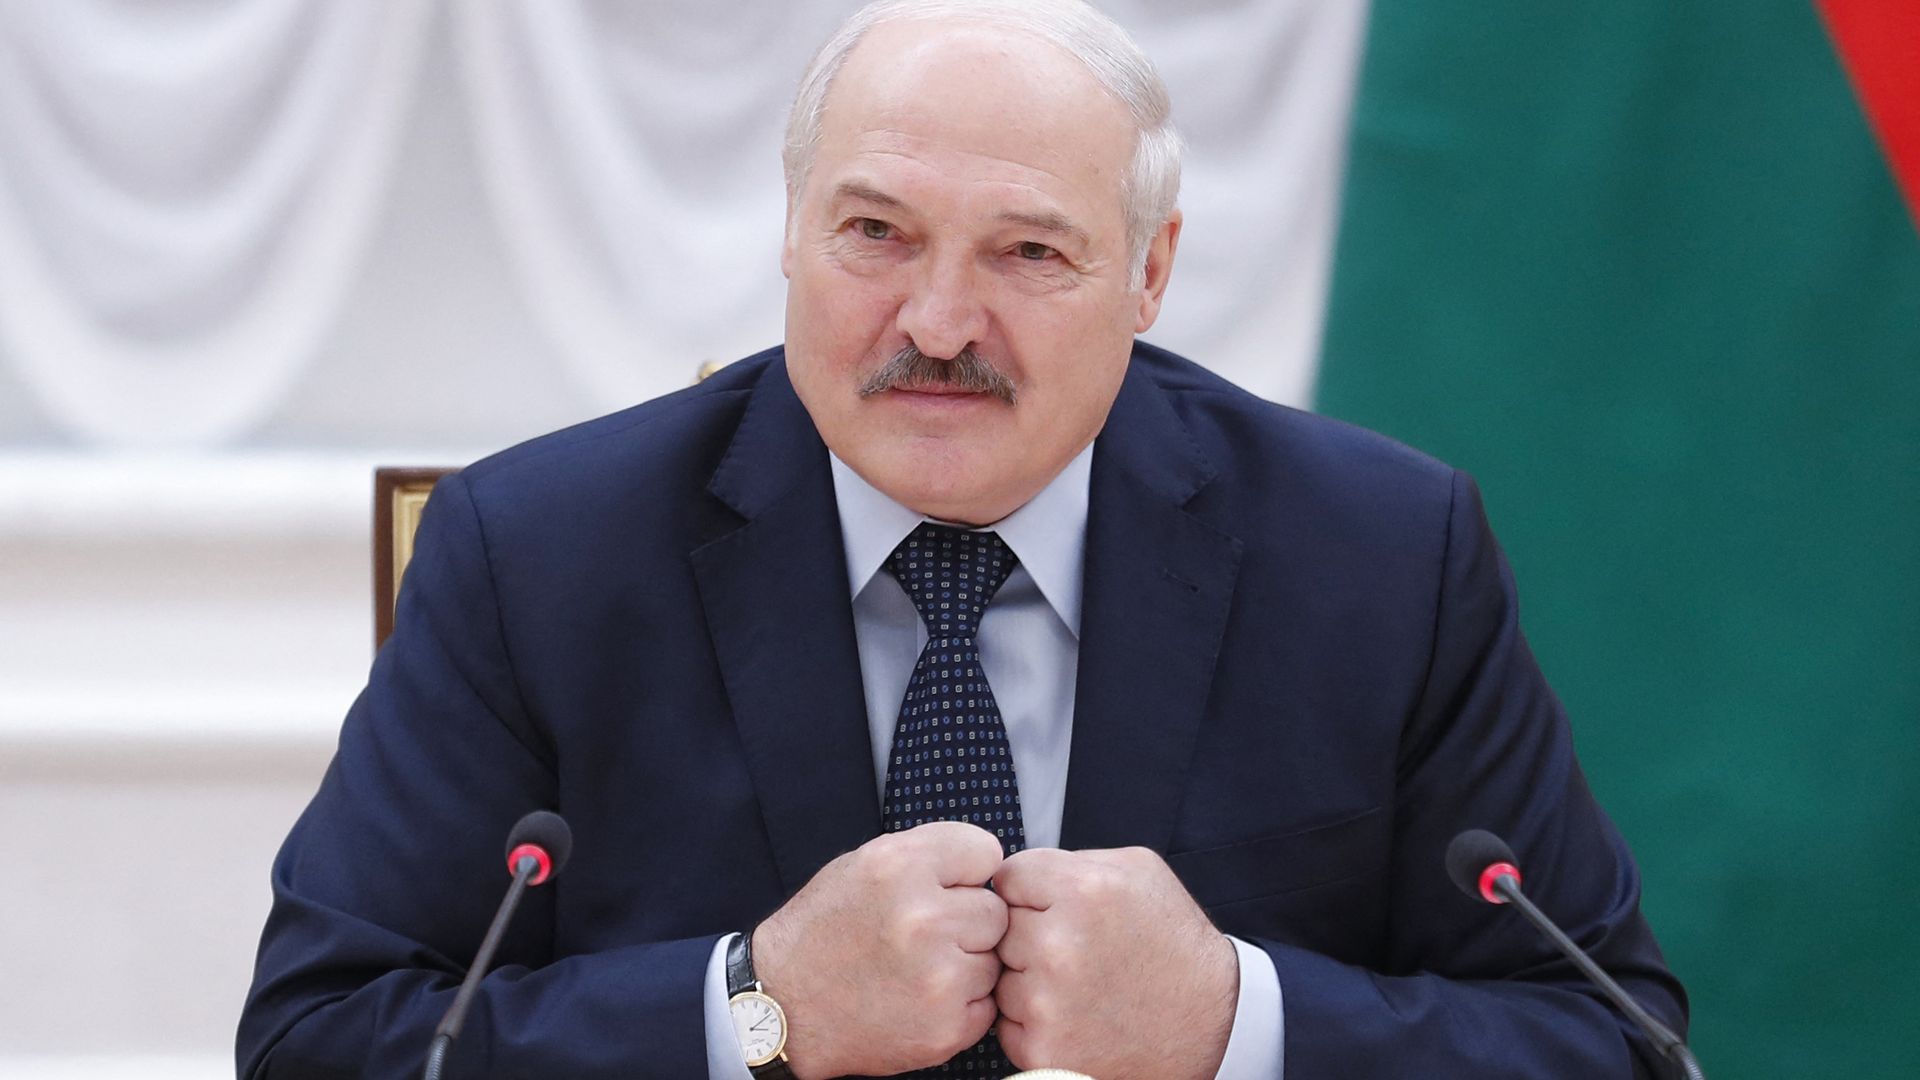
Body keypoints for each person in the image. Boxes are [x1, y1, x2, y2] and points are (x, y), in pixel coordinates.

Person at [238, 1, 1687, 1077]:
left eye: (1028, 252)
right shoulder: (535, 556)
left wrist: (1236, 1021)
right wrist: (750, 1007)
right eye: (875, 233)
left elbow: (1613, 1044)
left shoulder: (1378, 555)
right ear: (790, 233)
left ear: (1150, 274)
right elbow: (321, 1041)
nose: (936, 325)